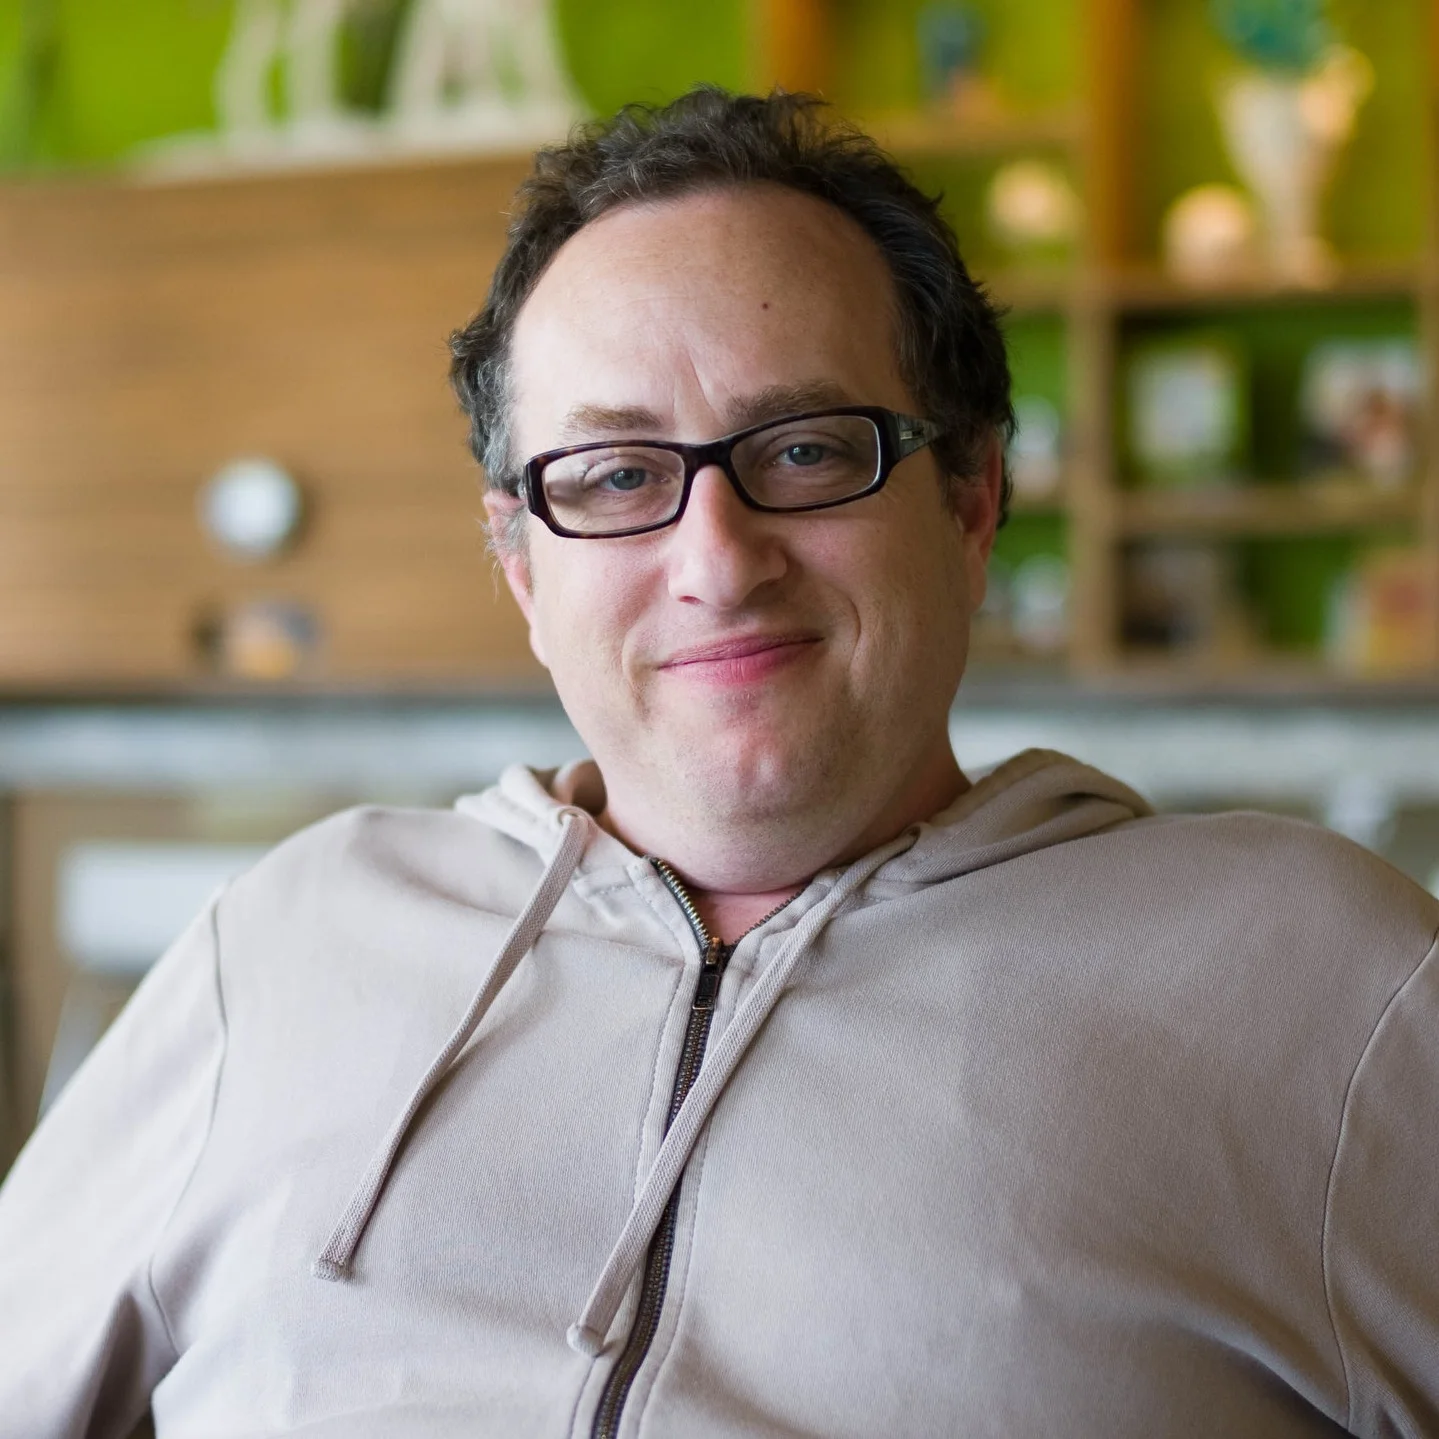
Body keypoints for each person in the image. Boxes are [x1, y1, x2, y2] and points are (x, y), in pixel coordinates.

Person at [1, 87, 1436, 1439]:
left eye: (806, 452)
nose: (717, 563)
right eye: (617, 476)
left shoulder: (1320, 984)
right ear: (521, 566)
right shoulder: (287, 940)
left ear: (971, 502)